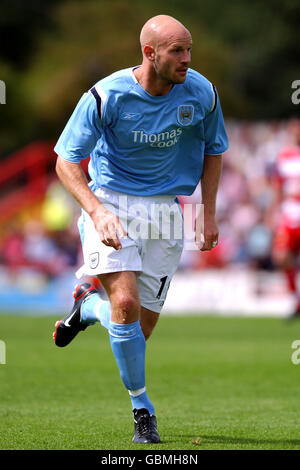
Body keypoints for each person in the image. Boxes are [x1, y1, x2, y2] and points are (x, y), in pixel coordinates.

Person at [52, 14, 228, 444]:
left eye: (189, 50)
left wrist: (207, 210)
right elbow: (65, 161)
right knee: (126, 305)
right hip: (111, 202)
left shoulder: (202, 92)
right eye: (177, 51)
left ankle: (87, 308)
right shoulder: (105, 96)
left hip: (169, 212)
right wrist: (96, 212)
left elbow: (214, 148)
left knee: (136, 330)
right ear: (150, 53)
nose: (187, 59)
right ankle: (143, 411)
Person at [268, 118, 300, 319]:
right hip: (289, 212)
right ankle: (296, 299)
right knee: (281, 256)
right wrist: (273, 212)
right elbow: (277, 187)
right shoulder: (284, 155)